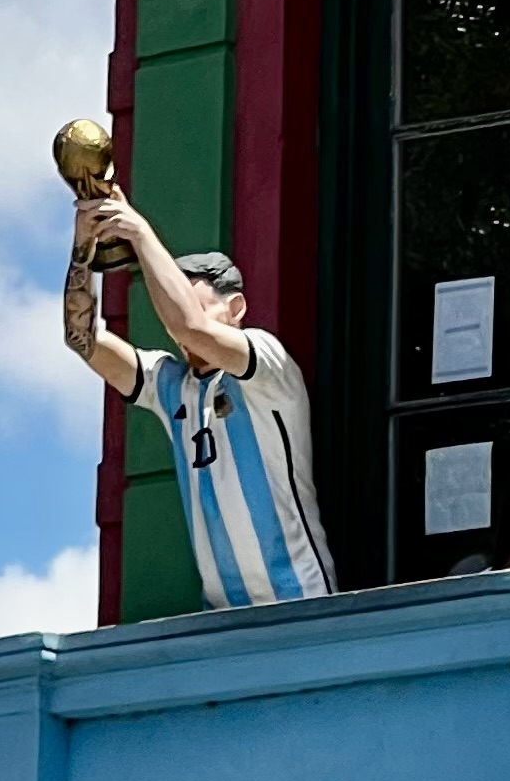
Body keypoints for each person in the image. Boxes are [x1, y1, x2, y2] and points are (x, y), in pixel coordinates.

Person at [62, 183, 334, 608]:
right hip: (221, 621)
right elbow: (82, 338)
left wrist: (139, 232)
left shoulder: (267, 363)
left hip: (301, 602)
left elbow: (190, 327)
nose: (175, 323)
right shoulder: (172, 386)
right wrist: (84, 247)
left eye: (196, 302)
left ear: (236, 308)